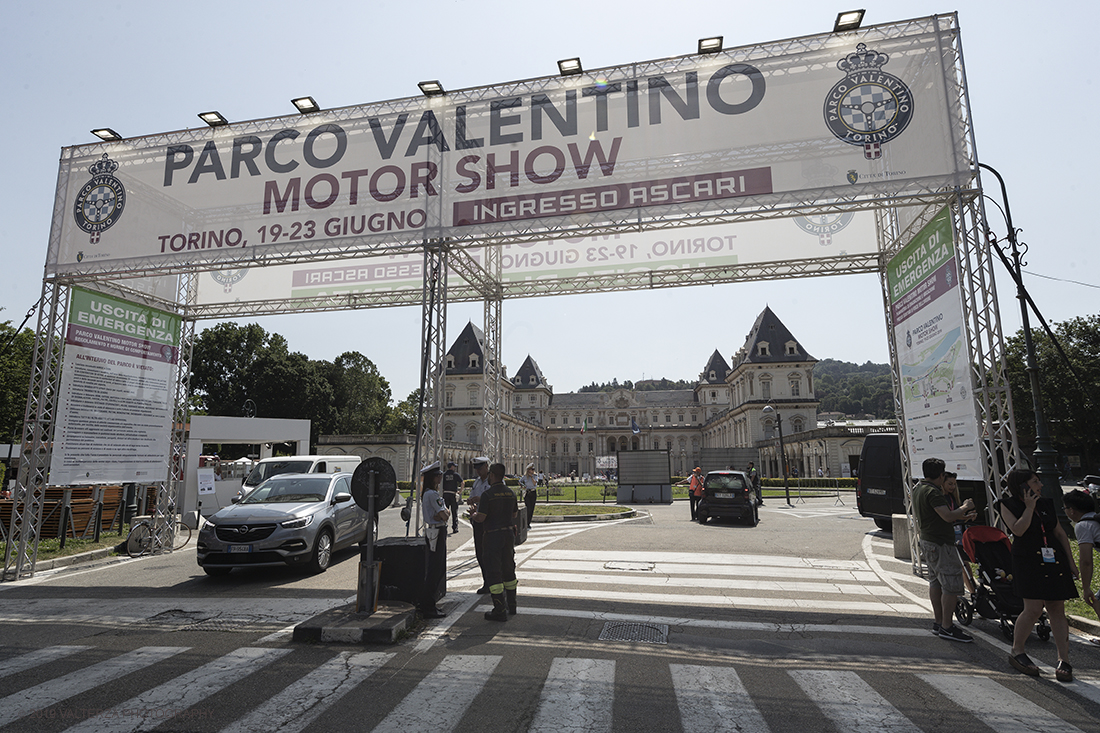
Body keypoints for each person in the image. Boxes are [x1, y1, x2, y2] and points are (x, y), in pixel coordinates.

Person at [998, 469, 1079, 681]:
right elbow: (1018, 530)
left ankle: (1064, 659)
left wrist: (1071, 562)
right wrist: (1029, 508)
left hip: (1053, 558)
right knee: (1033, 609)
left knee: (1056, 607)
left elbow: (1059, 533)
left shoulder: (1047, 503)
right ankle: (1018, 650)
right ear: (1022, 485)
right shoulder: (1007, 504)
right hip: (1028, 560)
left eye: (1039, 481)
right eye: (1035, 482)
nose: (1040, 486)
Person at [913, 457, 976, 643]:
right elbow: (947, 516)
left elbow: (940, 517)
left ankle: (939, 622)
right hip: (940, 543)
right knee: (950, 585)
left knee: (935, 583)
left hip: (928, 540)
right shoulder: (933, 492)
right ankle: (947, 626)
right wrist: (965, 507)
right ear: (941, 475)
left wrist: (963, 517)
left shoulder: (919, 489)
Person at [472, 462, 519, 621]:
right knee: (508, 569)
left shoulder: (488, 495)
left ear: (492, 475)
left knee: (494, 572)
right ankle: (512, 605)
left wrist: (473, 515)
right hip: (508, 535)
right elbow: (514, 515)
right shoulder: (511, 493)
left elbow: (481, 517)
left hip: (492, 536)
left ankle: (499, 609)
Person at [418, 461, 450, 619]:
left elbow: (445, 514)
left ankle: (428, 604)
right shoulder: (432, 494)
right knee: (435, 569)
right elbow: (444, 515)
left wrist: (443, 514)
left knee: (436, 568)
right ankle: (428, 605)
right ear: (433, 477)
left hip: (435, 529)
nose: (441, 477)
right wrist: (443, 514)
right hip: (436, 531)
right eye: (438, 475)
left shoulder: (430, 493)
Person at [941, 471, 976, 595]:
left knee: (964, 563)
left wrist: (967, 517)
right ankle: (968, 591)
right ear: (942, 483)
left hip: (958, 533)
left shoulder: (952, 497)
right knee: (960, 565)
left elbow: (956, 515)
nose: (952, 487)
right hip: (947, 536)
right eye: (950, 484)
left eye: (954, 484)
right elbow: (948, 516)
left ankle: (973, 591)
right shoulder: (941, 498)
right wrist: (965, 508)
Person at [466, 456, 492, 594]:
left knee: (489, 553)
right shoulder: (477, 482)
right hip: (477, 520)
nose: (478, 471)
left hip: (489, 521)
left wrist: (481, 499)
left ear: (486, 467)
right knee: (480, 553)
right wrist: (471, 500)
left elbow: (496, 498)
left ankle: (493, 581)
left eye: (480, 468)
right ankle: (486, 581)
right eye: (476, 469)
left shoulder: (493, 481)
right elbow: (473, 495)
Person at [441, 461, 462, 534]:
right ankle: (455, 527)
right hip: (453, 494)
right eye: (454, 466)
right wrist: (460, 491)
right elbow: (462, 482)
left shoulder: (444, 475)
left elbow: (440, 484)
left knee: (445, 511)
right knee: (454, 512)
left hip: (445, 494)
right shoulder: (455, 474)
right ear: (452, 467)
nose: (455, 468)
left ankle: (444, 526)